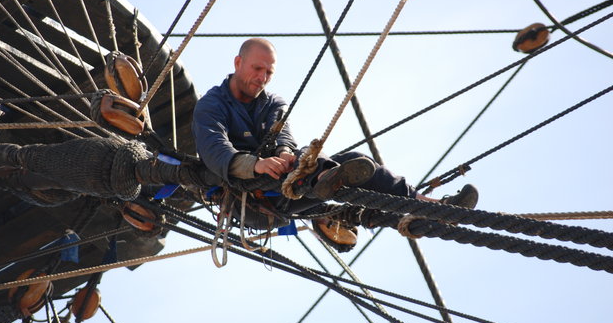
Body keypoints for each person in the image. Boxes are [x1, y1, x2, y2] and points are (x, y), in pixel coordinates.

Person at [192, 38, 478, 251]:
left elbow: (283, 136)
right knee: (309, 161)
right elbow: (215, 150)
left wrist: (284, 154)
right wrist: (257, 165)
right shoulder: (211, 105)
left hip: (288, 187)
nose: (262, 78)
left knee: (345, 159)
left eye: (269, 72)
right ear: (238, 63)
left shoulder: (272, 102)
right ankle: (322, 179)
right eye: (257, 69)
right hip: (253, 202)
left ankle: (434, 207)